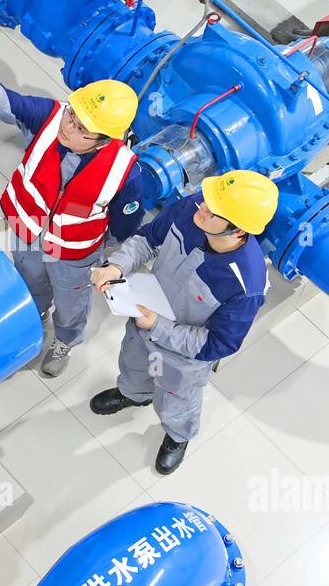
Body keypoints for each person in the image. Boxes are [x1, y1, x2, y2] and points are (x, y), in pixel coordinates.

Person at [0, 54, 145, 378]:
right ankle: (34, 317)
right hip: (26, 231)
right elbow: (7, 102)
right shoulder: (50, 118)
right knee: (29, 280)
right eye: (72, 115)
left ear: (105, 141)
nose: (68, 127)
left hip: (73, 253)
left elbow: (125, 221)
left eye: (82, 130)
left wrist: (100, 247)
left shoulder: (124, 172)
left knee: (71, 300)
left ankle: (65, 340)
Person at [88, 171, 278, 475]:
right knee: (133, 365)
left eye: (214, 209)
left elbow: (219, 343)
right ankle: (133, 393)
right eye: (207, 197)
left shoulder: (247, 284)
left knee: (177, 400)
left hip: (183, 358)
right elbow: (149, 238)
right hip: (143, 322)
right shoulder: (194, 209)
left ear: (239, 229)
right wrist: (116, 265)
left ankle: (178, 436)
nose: (202, 205)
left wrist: (160, 328)